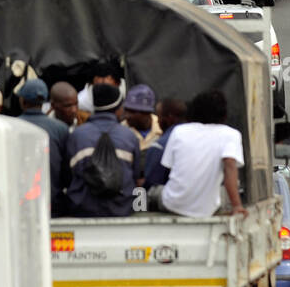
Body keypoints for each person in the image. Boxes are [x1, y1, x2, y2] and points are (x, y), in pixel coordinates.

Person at [146, 90, 245, 217]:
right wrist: (237, 205)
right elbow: (230, 166)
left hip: (172, 204)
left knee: (151, 191)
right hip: (207, 209)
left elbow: (169, 167)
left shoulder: (179, 131)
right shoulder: (231, 135)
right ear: (224, 114)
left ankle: (139, 210)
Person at [65, 83, 142, 217]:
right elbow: (136, 177)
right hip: (122, 208)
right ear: (118, 109)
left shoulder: (77, 135)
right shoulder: (129, 136)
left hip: (83, 209)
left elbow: (68, 176)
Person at [16, 79, 71, 215]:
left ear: (22, 101)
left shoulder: (11, 126)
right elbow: (67, 174)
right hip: (52, 205)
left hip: (19, 205)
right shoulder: (61, 129)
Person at [143, 98, 188, 188]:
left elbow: (152, 183)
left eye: (159, 116)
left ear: (169, 118)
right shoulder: (200, 140)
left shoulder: (159, 146)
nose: (157, 121)